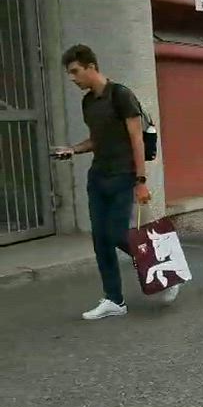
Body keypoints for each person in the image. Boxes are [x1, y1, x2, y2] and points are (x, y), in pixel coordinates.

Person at [53, 44, 177, 320]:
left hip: (123, 176)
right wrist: (73, 149)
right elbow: (97, 140)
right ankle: (114, 300)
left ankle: (165, 271)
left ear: (91, 67)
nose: (72, 78)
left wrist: (141, 181)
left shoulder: (121, 95)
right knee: (101, 240)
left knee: (117, 234)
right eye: (69, 73)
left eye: (75, 71)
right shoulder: (88, 102)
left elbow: (136, 140)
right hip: (98, 177)